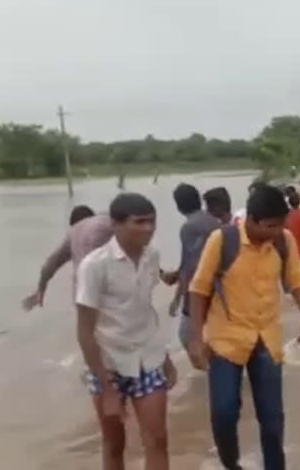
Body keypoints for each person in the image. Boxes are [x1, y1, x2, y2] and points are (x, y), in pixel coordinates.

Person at [187, 185, 300, 470]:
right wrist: (196, 339)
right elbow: (198, 290)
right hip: (226, 340)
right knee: (223, 414)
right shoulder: (221, 241)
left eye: (281, 224)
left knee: (272, 419)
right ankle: (232, 465)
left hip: (267, 341)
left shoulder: (283, 241)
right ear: (252, 220)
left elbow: (296, 281)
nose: (277, 230)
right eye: (271, 225)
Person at [75, 193, 177, 470]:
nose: (148, 228)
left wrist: (165, 358)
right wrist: (107, 389)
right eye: (139, 222)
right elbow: (85, 331)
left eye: (152, 222)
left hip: (148, 359)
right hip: (109, 365)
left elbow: (145, 311)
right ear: (116, 225)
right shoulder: (94, 266)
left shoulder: (152, 256)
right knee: (114, 445)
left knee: (157, 439)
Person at [22, 205, 114, 311]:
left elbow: (50, 264)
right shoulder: (104, 222)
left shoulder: (72, 233)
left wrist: (41, 289)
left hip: (82, 294)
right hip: (106, 290)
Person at [168, 184, 224, 350]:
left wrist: (178, 299)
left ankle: (212, 364)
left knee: (186, 335)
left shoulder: (189, 227)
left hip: (200, 287)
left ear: (178, 205)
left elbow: (190, 266)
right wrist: (177, 274)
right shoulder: (213, 220)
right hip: (219, 285)